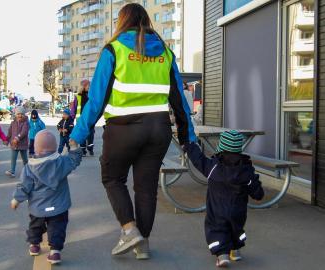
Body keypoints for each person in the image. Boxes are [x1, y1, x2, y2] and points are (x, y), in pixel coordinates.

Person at [69, 3, 196, 259]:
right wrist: (187, 137)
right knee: (146, 188)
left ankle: (129, 229)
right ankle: (143, 245)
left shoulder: (113, 50)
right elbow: (179, 100)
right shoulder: (166, 53)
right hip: (158, 130)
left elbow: (96, 100)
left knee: (113, 179)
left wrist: (77, 135)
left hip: (123, 130)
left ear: (122, 21)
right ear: (147, 21)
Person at [185, 130, 264, 267]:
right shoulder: (246, 170)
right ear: (239, 150)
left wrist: (189, 145)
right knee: (236, 228)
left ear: (221, 147)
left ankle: (222, 255)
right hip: (238, 211)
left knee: (217, 229)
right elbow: (257, 192)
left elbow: (198, 159)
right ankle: (235, 250)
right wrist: (258, 193)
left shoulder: (213, 167)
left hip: (217, 210)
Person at [10, 130, 82, 265]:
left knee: (35, 225)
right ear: (54, 147)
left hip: (38, 207)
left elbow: (24, 186)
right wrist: (74, 148)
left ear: (36, 147)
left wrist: (16, 199)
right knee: (57, 227)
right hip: (59, 207)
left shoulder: (30, 167)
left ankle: (34, 245)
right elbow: (74, 160)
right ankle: (55, 252)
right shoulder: (61, 162)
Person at [71, 79, 94, 156]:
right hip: (80, 118)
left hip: (90, 118)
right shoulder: (78, 96)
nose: (90, 87)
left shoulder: (91, 95)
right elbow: (74, 108)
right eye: (88, 85)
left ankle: (90, 147)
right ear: (84, 86)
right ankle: (83, 150)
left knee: (90, 133)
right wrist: (72, 117)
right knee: (82, 133)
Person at [6, 106, 29, 177]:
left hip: (22, 144)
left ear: (24, 115)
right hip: (14, 144)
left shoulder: (25, 123)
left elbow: (24, 132)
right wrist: (7, 140)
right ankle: (12, 171)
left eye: (21, 114)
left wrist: (17, 138)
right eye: (18, 114)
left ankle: (28, 171)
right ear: (15, 115)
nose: (20, 115)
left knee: (25, 159)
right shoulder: (13, 123)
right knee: (13, 158)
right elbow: (10, 132)